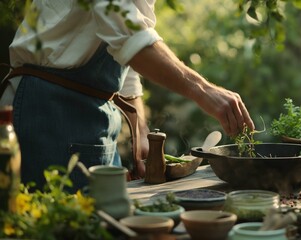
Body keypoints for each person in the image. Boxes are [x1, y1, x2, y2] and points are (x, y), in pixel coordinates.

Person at [0, 0, 254, 190]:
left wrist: (139, 130)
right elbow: (131, 40)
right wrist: (203, 89)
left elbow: (124, 46)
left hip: (95, 119)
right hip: (49, 114)